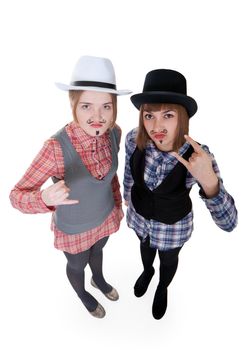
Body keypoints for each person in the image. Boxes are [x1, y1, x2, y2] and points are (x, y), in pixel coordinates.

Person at [10, 55, 131, 318]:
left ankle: (97, 280)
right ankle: (83, 294)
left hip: (104, 215)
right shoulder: (55, 149)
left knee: (98, 251)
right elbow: (16, 196)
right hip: (74, 227)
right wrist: (44, 198)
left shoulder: (115, 133)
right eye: (87, 106)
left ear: (114, 108)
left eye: (106, 107)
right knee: (77, 264)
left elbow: (109, 177)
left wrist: (119, 201)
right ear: (73, 104)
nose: (98, 117)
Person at [123, 69, 237, 320]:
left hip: (172, 227)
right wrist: (127, 199)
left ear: (182, 118)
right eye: (149, 115)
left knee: (168, 260)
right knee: (144, 247)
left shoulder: (197, 156)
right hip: (140, 217)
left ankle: (162, 286)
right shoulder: (134, 139)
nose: (157, 126)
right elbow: (129, 175)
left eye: (168, 115)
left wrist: (208, 179)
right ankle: (146, 271)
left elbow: (229, 224)